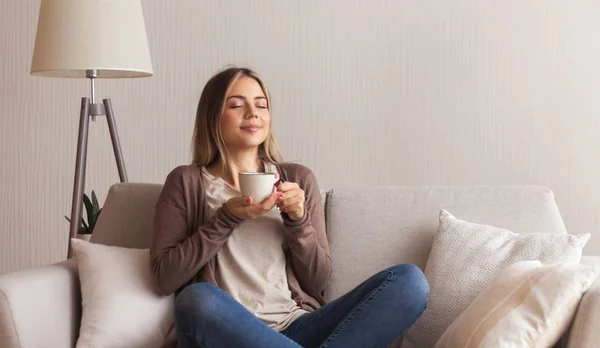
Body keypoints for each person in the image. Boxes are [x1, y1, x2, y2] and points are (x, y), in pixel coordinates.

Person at [150, 67, 429, 348]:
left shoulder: (297, 179)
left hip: (298, 328)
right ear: (212, 116)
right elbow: (165, 278)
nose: (252, 112)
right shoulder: (186, 181)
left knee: (409, 282)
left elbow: (316, 282)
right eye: (236, 104)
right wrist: (226, 218)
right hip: (226, 334)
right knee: (196, 300)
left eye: (261, 105)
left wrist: (298, 219)